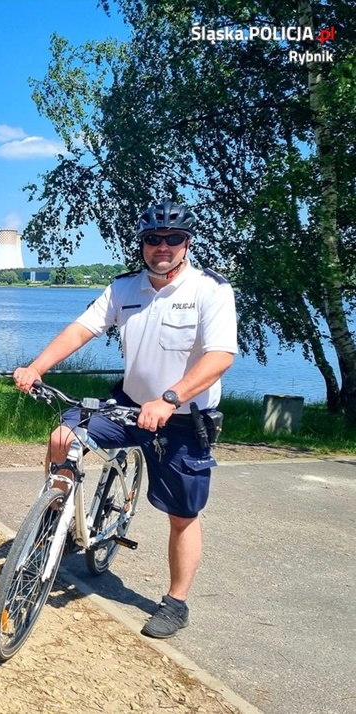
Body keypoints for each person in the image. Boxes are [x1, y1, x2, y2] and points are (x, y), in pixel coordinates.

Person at [13, 201, 237, 639]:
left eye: (173, 239)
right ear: (142, 245)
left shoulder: (210, 290)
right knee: (62, 437)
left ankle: (176, 602)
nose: (163, 247)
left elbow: (220, 357)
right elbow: (82, 329)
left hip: (182, 417)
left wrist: (170, 398)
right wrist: (36, 366)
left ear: (187, 243)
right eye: (154, 239)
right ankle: (54, 518)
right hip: (127, 405)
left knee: (183, 515)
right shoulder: (124, 289)